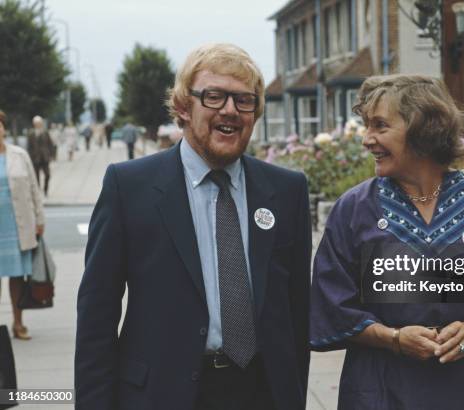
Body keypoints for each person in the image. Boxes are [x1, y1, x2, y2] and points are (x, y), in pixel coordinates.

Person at [75, 43, 311, 410]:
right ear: (183, 107)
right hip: (162, 394)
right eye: (214, 97)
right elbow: (97, 314)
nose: (230, 110)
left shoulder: (287, 190)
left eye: (244, 100)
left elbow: (297, 314)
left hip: (263, 393)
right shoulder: (129, 187)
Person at [310, 75, 464, 409]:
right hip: (381, 388)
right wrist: (395, 339)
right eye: (366, 126)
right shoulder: (354, 209)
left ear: (422, 129)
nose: (367, 139)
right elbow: (332, 305)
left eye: (379, 126)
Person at [0, 110, 45, 340]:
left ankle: (18, 323)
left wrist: (39, 219)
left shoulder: (19, 155)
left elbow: (34, 189)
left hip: (17, 226)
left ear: (3, 128)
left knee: (17, 278)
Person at [26, 115, 54, 196]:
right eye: (37, 123)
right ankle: (37, 191)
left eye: (40, 123)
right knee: (36, 177)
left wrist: (51, 154)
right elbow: (29, 146)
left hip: (45, 157)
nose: (38, 124)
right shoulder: (31, 133)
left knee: (47, 175)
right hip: (35, 158)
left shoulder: (45, 132)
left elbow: (50, 144)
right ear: (34, 124)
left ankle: (45, 190)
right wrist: (29, 156)